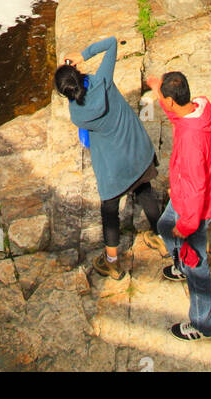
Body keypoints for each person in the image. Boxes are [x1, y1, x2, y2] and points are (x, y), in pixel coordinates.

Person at [55, 36, 161, 281]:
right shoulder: (102, 79)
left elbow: (79, 103)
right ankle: (163, 238)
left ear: (65, 93)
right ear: (78, 72)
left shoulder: (76, 115)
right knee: (145, 191)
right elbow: (112, 43)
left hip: (114, 172)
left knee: (109, 212)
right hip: (138, 153)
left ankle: (112, 262)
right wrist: (82, 54)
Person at [147, 70, 211, 342]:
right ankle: (181, 263)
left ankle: (203, 324)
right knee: (163, 226)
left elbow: (195, 187)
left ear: (172, 100)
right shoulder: (199, 109)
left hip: (194, 207)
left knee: (197, 267)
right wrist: (159, 89)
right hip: (191, 196)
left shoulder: (192, 139)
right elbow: (174, 116)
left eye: (164, 98)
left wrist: (187, 225)